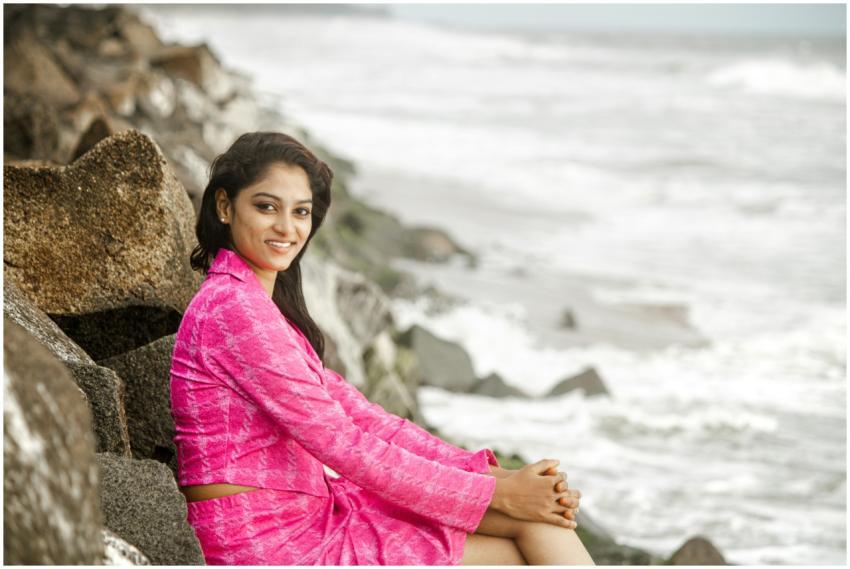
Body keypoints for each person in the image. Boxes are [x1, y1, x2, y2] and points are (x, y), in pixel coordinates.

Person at [169, 131, 594, 565]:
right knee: (532, 528)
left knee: (534, 523)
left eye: (301, 212)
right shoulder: (235, 309)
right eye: (266, 207)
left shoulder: (258, 306)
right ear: (225, 206)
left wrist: (495, 477)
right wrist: (499, 493)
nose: (286, 227)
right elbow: (343, 443)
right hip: (266, 542)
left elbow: (366, 419)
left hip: (306, 517)